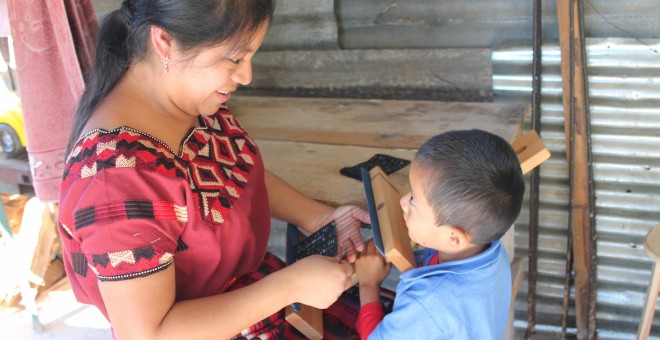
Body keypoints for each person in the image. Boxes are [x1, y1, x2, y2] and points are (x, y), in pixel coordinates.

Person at [57, 1, 374, 338]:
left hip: (258, 297)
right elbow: (148, 334)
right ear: (164, 41)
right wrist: (289, 286)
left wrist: (319, 218)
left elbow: (238, 174)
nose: (246, 76)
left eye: (250, 57)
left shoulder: (192, 99)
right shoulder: (116, 179)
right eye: (235, 58)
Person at [354, 129, 525, 339]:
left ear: (453, 238)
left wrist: (368, 283)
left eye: (414, 200)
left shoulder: (427, 302)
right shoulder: (493, 253)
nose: (403, 201)